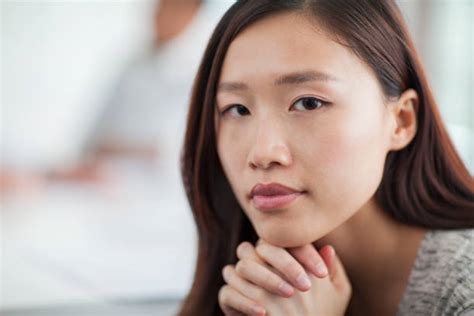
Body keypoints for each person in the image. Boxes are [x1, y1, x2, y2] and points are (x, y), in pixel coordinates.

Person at [178, 0, 474, 315]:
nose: (262, 154)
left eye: (308, 103)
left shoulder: (464, 287)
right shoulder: (248, 289)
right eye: (237, 109)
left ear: (401, 121)